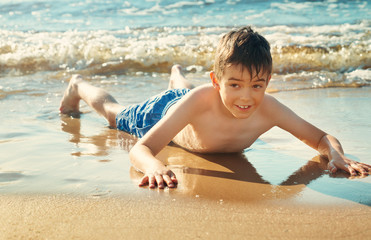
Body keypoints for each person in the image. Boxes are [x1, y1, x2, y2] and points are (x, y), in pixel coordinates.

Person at [60, 26, 370, 189]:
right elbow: (140, 149)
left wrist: (338, 156)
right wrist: (155, 167)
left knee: (186, 94)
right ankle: (78, 85)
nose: (246, 97)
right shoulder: (201, 98)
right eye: (234, 84)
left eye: (257, 85)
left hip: (191, 102)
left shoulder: (269, 108)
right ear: (217, 81)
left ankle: (177, 75)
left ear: (268, 81)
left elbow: (321, 138)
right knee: (115, 115)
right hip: (164, 112)